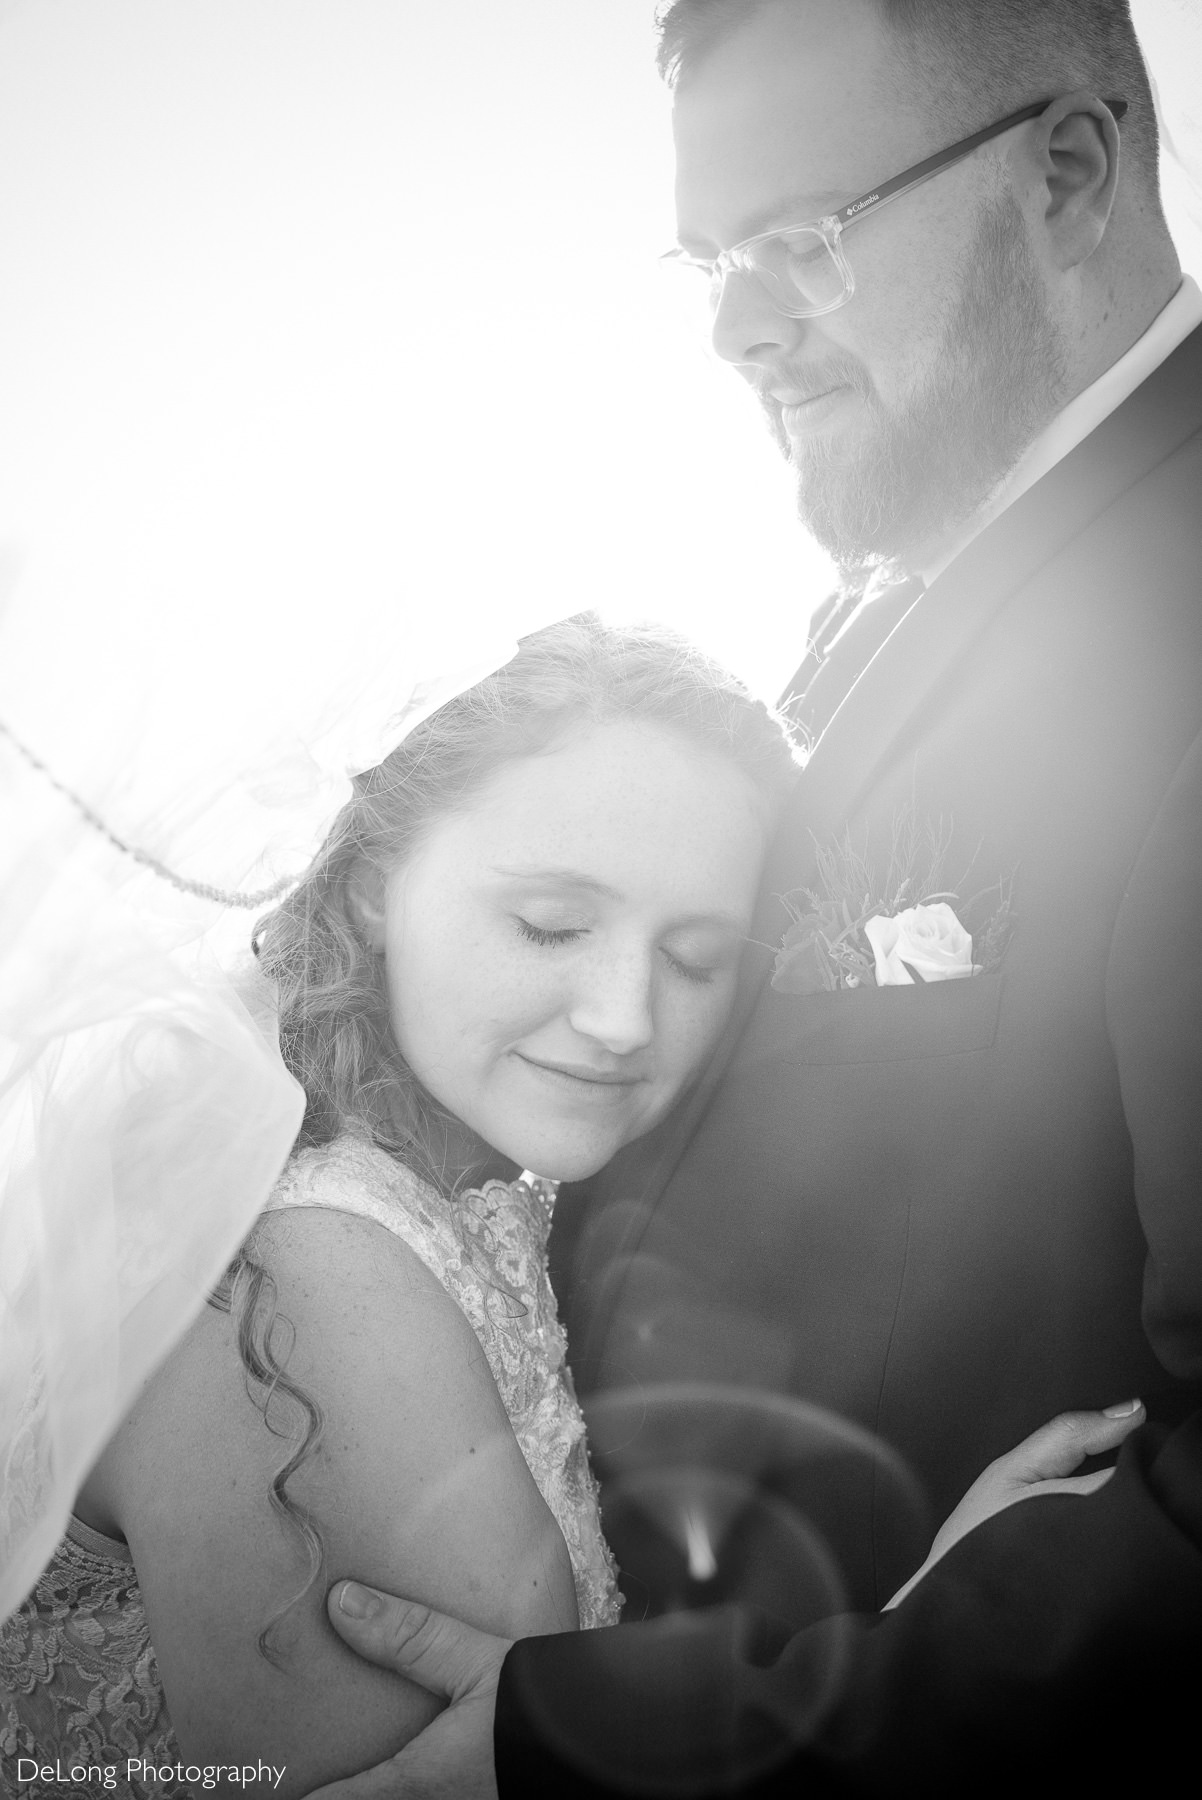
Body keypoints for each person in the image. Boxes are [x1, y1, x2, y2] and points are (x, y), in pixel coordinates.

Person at [310, 0, 1202, 1791]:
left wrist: (617, 1742)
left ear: (1066, 174)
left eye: (801, 234)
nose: (732, 326)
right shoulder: (891, 597)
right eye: (708, 259)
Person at [0, 616, 800, 1795]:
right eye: (550, 924)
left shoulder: (446, 1180)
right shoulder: (305, 1284)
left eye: (694, 958)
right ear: (373, 884)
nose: (625, 1017)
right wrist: (915, 1649)